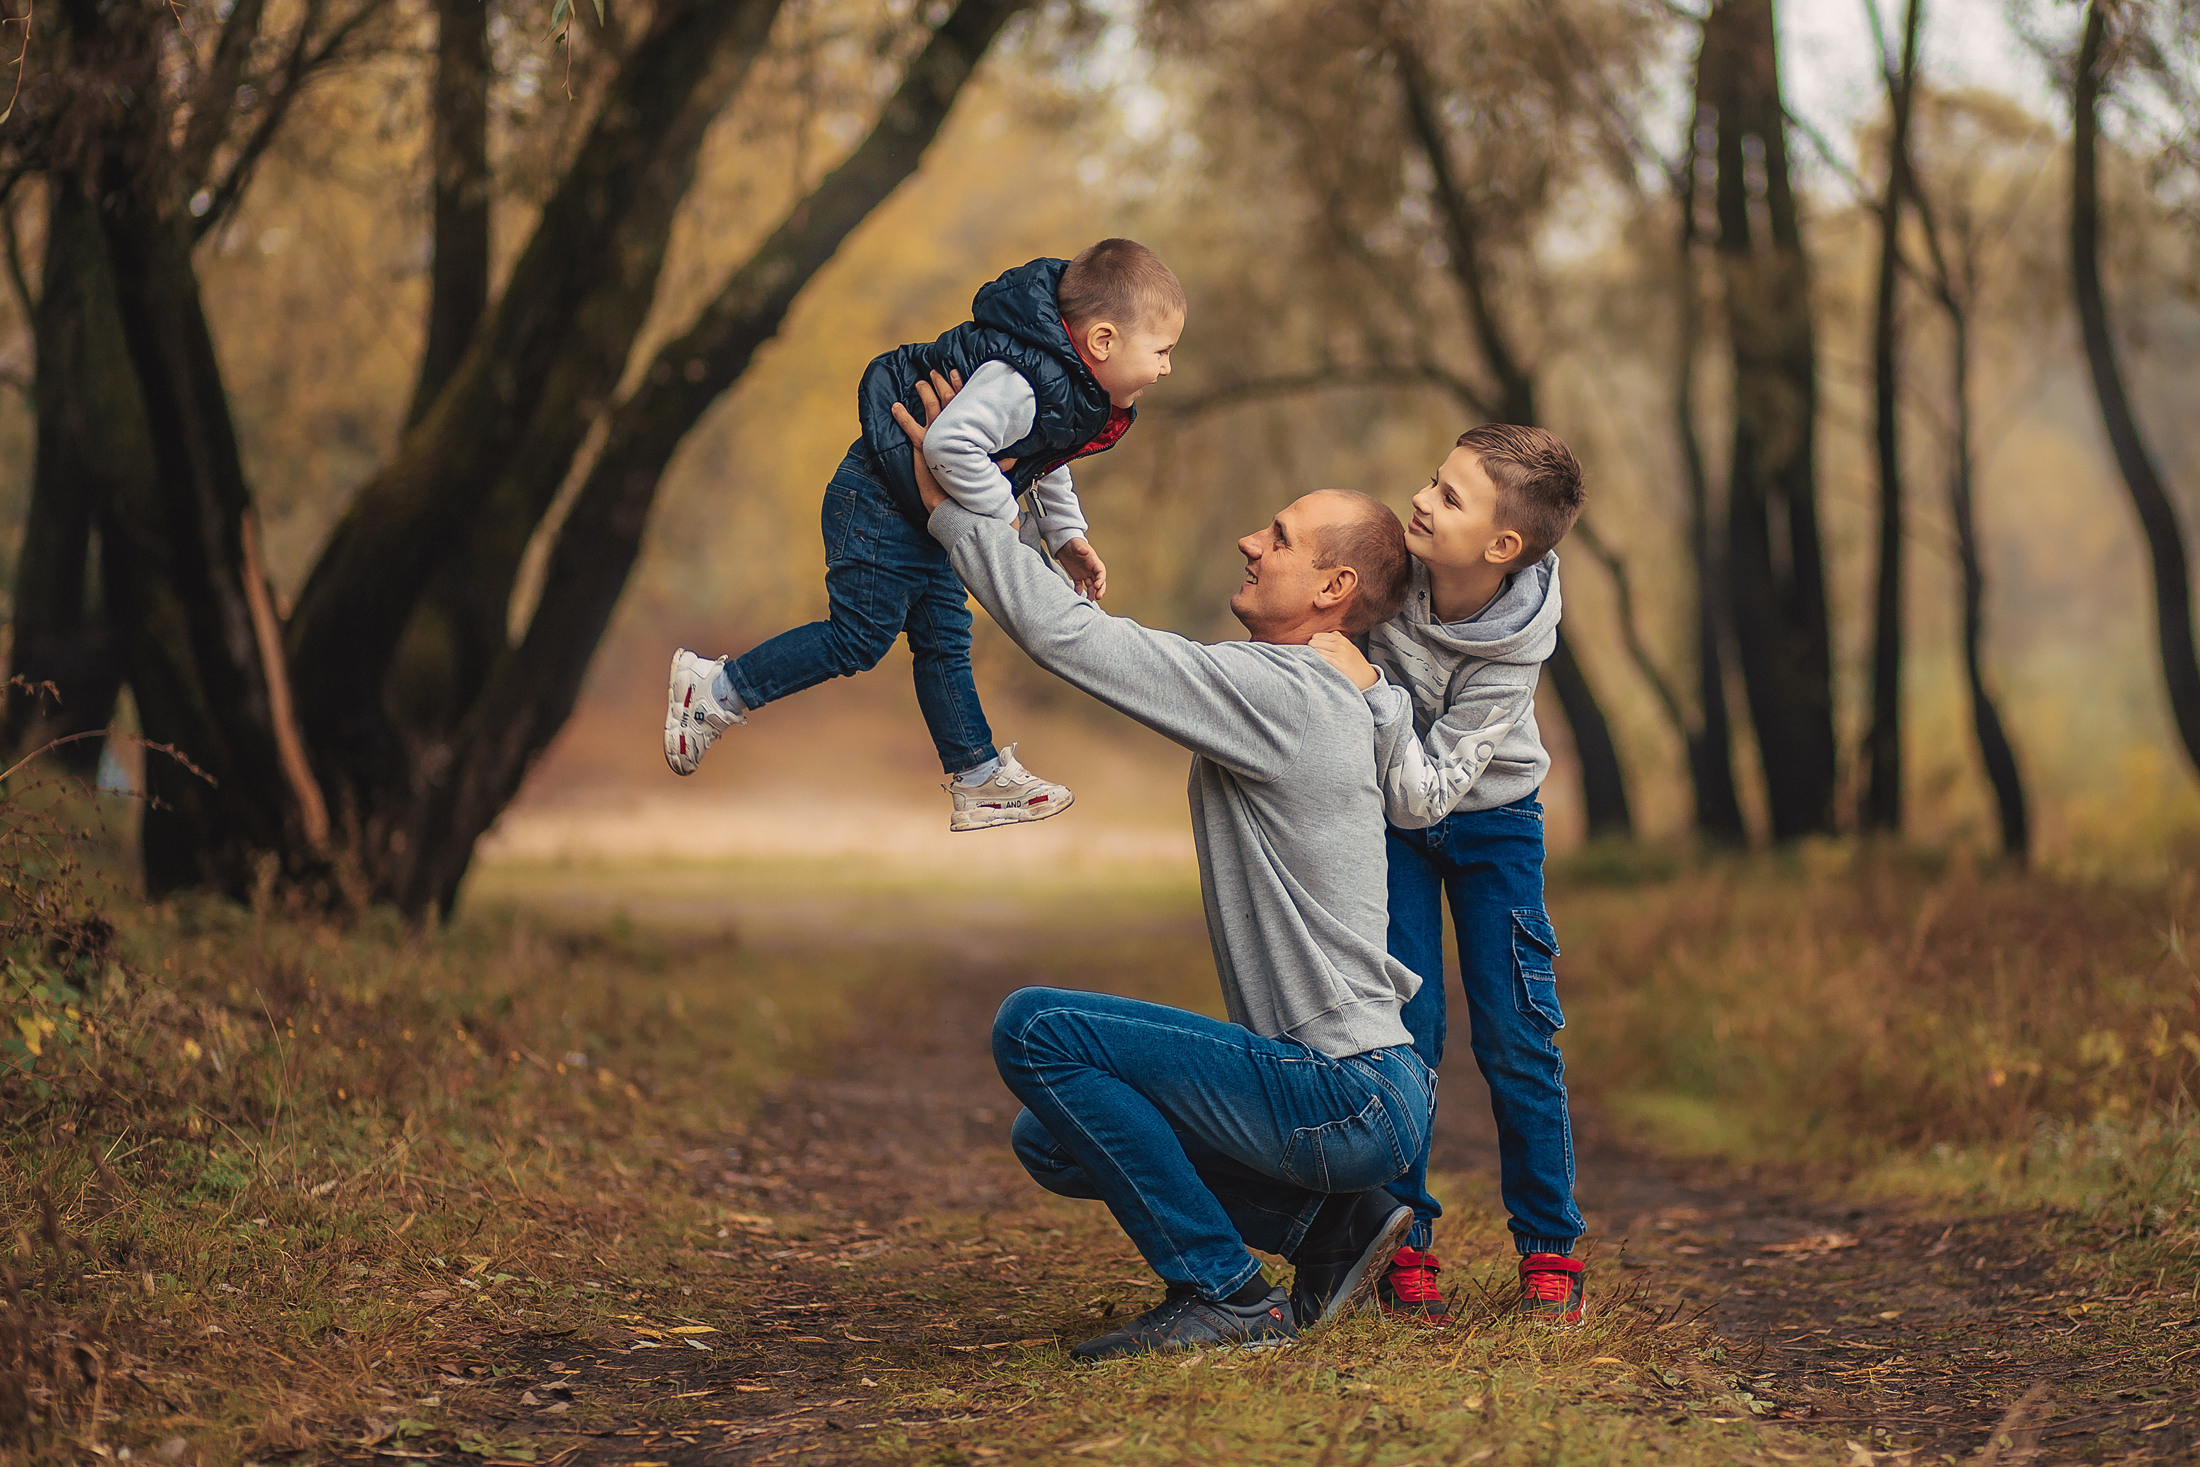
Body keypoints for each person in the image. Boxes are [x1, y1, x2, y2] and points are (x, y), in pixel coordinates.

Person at [890, 377, 1429, 1359]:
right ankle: (1331, 1229)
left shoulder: (1290, 692)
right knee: (1053, 1135)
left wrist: (958, 515)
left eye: (1279, 537)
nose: (1250, 542)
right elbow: (1096, 635)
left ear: (1332, 591)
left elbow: (1073, 641)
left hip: (1343, 1093)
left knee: (1036, 1030)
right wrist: (1026, 511)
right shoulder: (1309, 690)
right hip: (1357, 1098)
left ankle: (1225, 1293)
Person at [661, 240, 1184, 831]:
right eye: (1162, 350)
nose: (1167, 367)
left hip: (919, 512)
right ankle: (717, 689)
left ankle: (978, 777)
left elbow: (1041, 455)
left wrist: (1064, 535)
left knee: (944, 642)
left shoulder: (1063, 384)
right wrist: (1003, 518)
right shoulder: (1023, 379)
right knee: (859, 637)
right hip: (880, 498)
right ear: (1103, 340)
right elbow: (948, 444)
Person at [1310, 424, 1589, 1326]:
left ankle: (1550, 1247)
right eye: (1434, 479)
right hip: (1388, 826)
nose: (1422, 499)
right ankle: (1400, 1241)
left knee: (1516, 1034)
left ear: (1501, 546)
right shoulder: (1395, 571)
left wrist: (1372, 688)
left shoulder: (1516, 650)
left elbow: (1428, 792)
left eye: (1450, 496)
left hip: (1493, 826)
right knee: (1405, 1030)